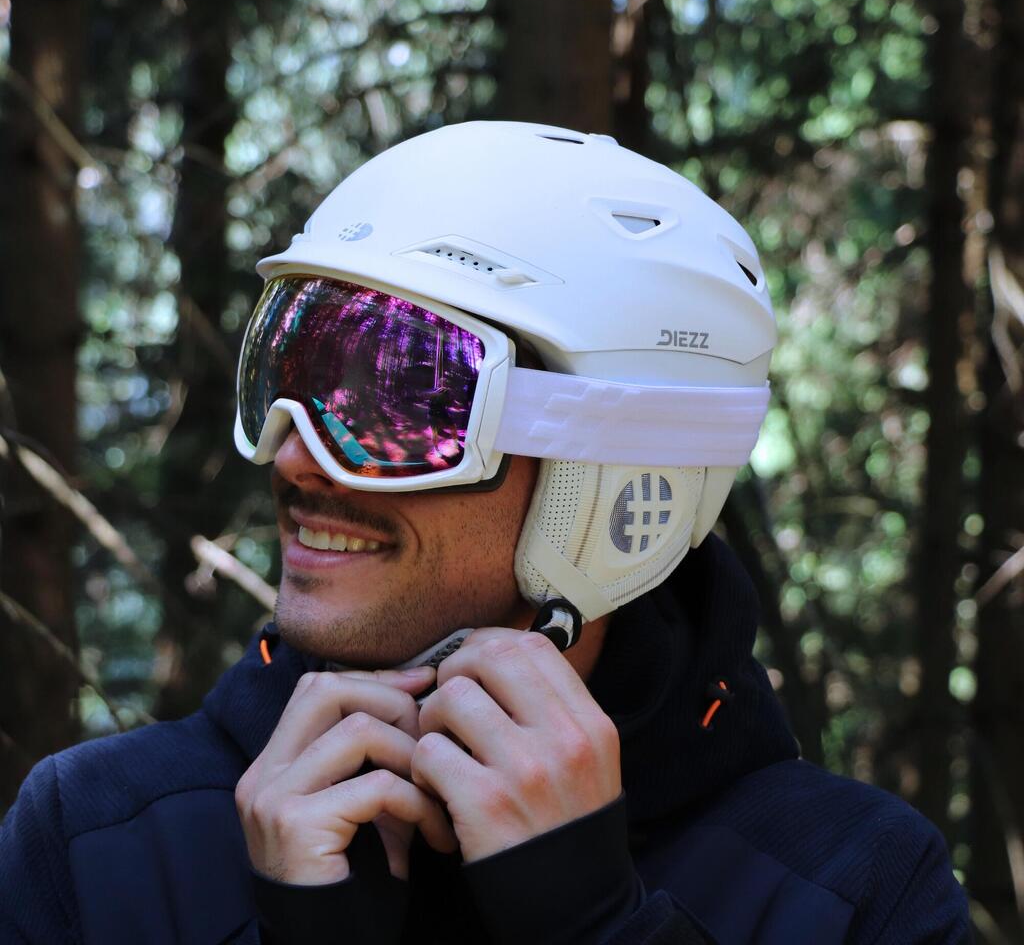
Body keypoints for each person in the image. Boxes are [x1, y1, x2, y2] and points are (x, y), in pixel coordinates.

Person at [0, 122, 969, 944]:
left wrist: (600, 930)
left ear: (618, 481)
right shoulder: (94, 836)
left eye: (397, 405)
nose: (294, 459)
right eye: (290, 378)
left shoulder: (854, 887)